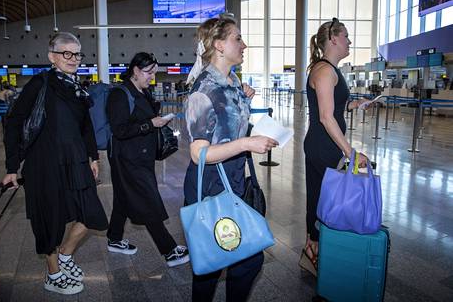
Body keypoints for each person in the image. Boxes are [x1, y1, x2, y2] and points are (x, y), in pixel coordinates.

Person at [2, 32, 108, 295]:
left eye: (77, 53)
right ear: (52, 56)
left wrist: (93, 156)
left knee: (91, 214)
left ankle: (65, 255)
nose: (73, 59)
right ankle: (53, 274)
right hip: (44, 163)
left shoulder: (77, 87)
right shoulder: (40, 83)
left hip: (75, 162)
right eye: (66, 53)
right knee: (49, 219)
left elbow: (86, 127)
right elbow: (14, 122)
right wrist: (12, 167)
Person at [183, 16, 278, 302]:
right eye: (238, 38)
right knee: (220, 263)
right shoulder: (203, 91)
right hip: (210, 184)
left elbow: (225, 127)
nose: (244, 44)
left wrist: (243, 100)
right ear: (219, 45)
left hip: (232, 180)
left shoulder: (232, 82)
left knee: (225, 260)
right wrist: (246, 143)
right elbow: (199, 153)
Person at [105, 52, 189, 267]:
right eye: (149, 72)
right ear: (135, 70)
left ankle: (114, 238)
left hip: (141, 155)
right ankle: (169, 250)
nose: (152, 76)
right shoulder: (120, 94)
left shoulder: (142, 91)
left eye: (154, 72)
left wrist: (155, 118)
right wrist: (151, 124)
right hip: (127, 158)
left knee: (124, 197)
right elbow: (120, 129)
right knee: (147, 199)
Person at [301, 18, 369, 276]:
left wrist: (354, 104)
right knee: (325, 200)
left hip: (323, 144)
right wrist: (350, 153)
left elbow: (332, 108)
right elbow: (326, 117)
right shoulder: (324, 70)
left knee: (320, 196)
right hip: (323, 145)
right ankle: (315, 247)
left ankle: (313, 245)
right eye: (346, 36)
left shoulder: (329, 69)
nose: (349, 41)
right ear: (333, 39)